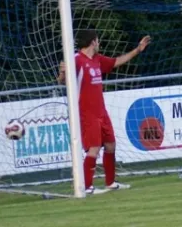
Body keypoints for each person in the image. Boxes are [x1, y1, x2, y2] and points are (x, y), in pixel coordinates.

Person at [57, 29, 151, 195]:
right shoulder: (76, 60)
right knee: (93, 148)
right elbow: (62, 81)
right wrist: (63, 73)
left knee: (110, 145)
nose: (99, 43)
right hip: (86, 112)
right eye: (98, 40)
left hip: (101, 111)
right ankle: (86, 187)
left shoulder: (97, 59)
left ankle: (110, 183)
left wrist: (138, 50)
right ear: (93, 42)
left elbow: (116, 61)